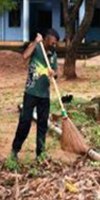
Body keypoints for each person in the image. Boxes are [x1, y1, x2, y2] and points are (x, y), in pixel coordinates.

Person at [10, 29, 59, 161]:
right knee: (25, 122)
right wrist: (35, 42)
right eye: (53, 42)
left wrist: (53, 74)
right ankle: (15, 150)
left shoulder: (54, 55)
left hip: (44, 95)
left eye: (56, 44)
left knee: (43, 125)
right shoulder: (37, 48)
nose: (54, 45)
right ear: (47, 39)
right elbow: (25, 56)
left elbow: (56, 75)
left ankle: (40, 154)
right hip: (31, 92)